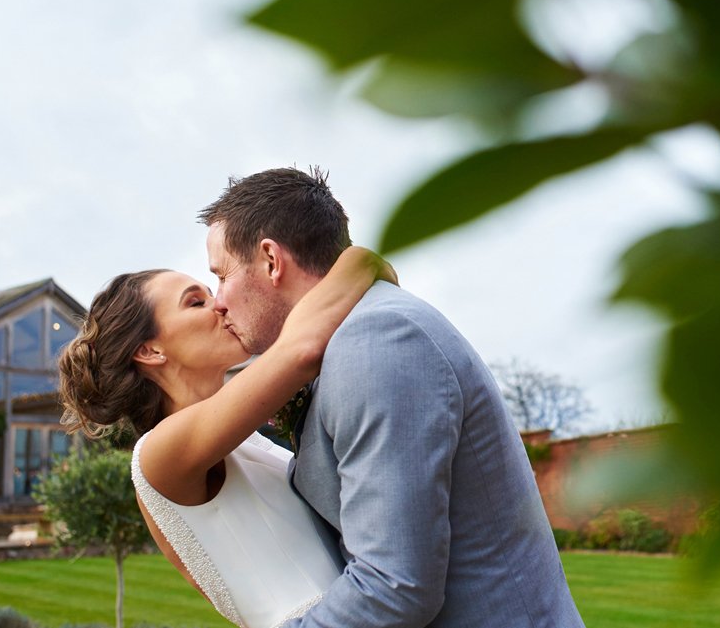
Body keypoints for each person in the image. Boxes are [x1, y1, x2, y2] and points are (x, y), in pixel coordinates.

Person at [200, 167, 585, 628]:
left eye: (221, 275)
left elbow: (394, 587)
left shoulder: (377, 340)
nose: (217, 301)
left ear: (270, 260)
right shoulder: (351, 338)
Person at [58, 246, 394, 628]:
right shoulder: (160, 453)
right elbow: (302, 348)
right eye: (196, 302)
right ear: (150, 350)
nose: (219, 305)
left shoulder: (241, 440)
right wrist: (363, 260)